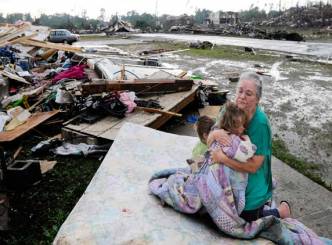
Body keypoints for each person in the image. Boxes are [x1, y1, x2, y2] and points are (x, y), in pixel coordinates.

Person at [208, 71, 291, 222]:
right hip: (228, 172)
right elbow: (209, 142)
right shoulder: (227, 110)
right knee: (211, 203)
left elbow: (254, 167)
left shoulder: (260, 124)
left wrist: (222, 159)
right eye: (240, 91)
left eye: (249, 93)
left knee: (244, 216)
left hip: (253, 175)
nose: (242, 96)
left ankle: (281, 210)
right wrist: (215, 134)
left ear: (258, 99)